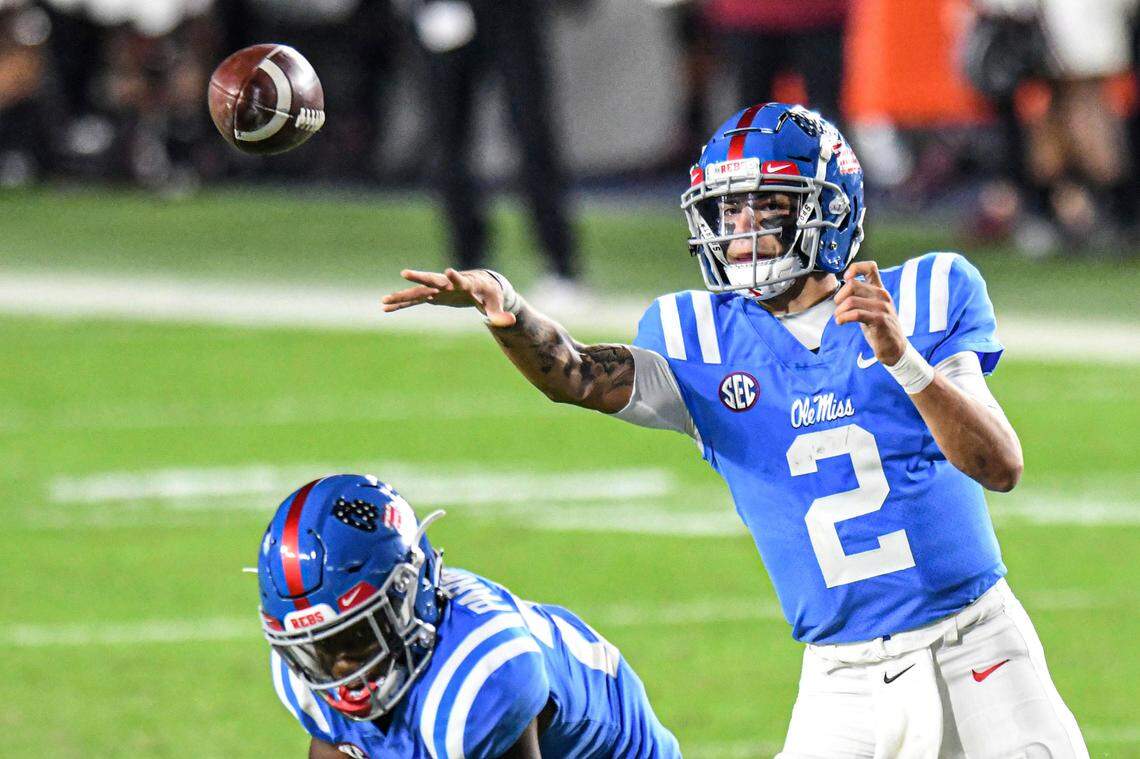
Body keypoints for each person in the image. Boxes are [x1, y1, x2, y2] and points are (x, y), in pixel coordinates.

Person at [381, 103, 1089, 757]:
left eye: (765, 206)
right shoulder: (701, 339)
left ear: (828, 210)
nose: (740, 227)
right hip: (839, 678)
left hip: (976, 650)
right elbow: (578, 375)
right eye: (729, 208)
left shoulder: (927, 294)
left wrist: (901, 358)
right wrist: (507, 310)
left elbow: (999, 464)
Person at [258, 474, 681, 759]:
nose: (341, 665)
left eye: (356, 637)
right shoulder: (304, 674)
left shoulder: (483, 675)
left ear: (409, 594)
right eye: (320, 646)